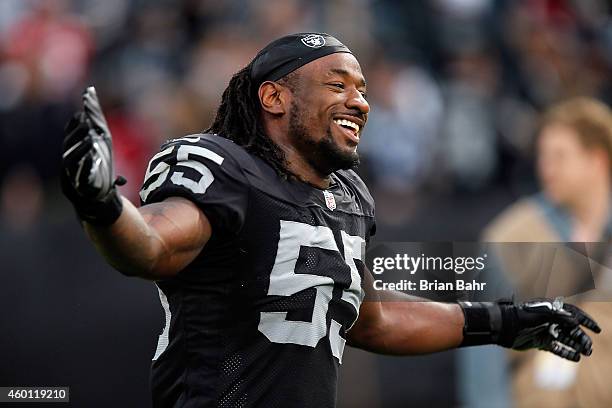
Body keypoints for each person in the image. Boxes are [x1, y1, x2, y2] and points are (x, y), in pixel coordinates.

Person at [61, 33, 600, 407]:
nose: (360, 102)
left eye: (362, 89)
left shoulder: (347, 196)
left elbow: (373, 319)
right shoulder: (225, 169)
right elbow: (151, 244)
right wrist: (102, 203)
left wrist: (503, 323)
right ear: (274, 97)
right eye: (338, 85)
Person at [483, 97, 612, 408]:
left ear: (597, 160)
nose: (545, 168)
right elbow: (483, 348)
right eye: (543, 156)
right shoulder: (510, 237)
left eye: (559, 156)